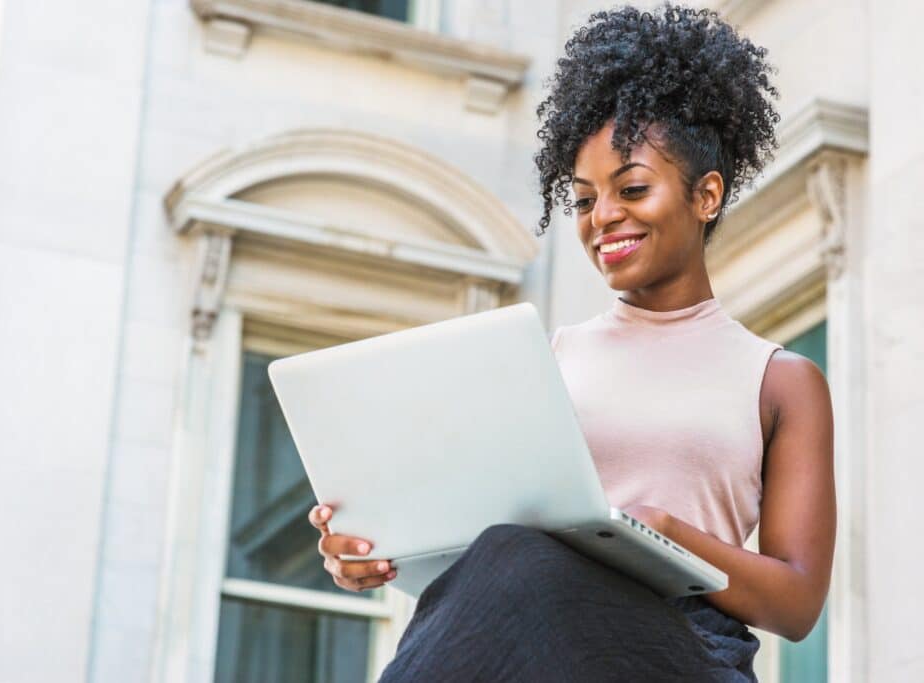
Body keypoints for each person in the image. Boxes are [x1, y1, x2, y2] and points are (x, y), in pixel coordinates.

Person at [307, 3, 835, 681]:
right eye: (584, 200)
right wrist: (374, 549)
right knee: (506, 557)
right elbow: (478, 545)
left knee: (518, 562)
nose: (604, 217)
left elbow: (797, 600)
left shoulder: (781, 380)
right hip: (536, 637)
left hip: (686, 648)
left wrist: (662, 537)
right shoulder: (543, 357)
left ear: (706, 195)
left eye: (633, 188)